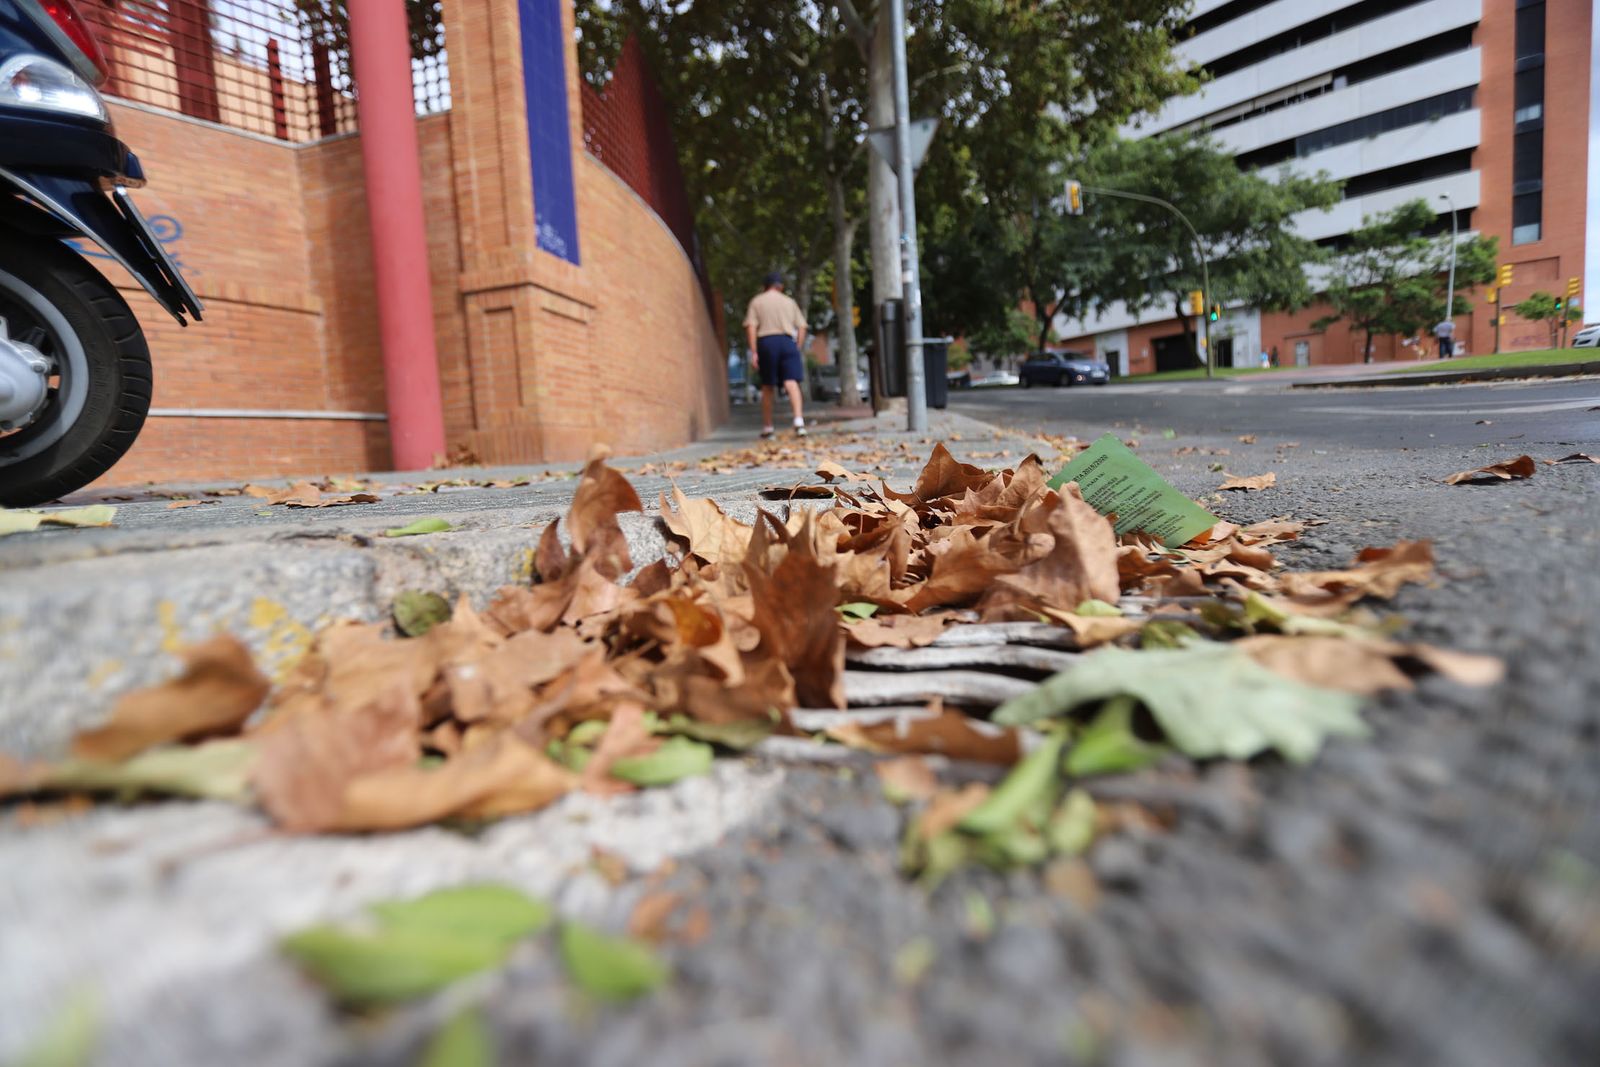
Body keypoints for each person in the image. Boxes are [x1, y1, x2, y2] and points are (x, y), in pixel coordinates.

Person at [743, 271, 808, 437]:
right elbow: (802, 326)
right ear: (781, 286)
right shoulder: (789, 302)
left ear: (765, 286)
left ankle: (768, 427)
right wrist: (797, 346)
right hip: (787, 342)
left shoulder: (757, 301)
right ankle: (799, 422)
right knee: (791, 382)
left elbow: (751, 326)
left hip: (767, 342)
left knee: (767, 386)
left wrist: (754, 352)